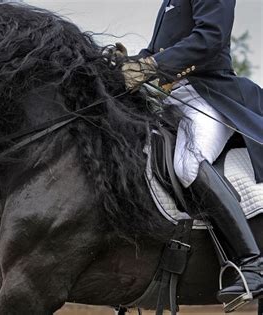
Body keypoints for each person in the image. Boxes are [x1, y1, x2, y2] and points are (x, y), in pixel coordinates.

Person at [118, 0, 263, 306]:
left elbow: (211, 37)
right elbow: (157, 51)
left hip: (209, 95)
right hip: (174, 101)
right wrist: (129, 62)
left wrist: (151, 67)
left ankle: (253, 262)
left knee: (188, 162)